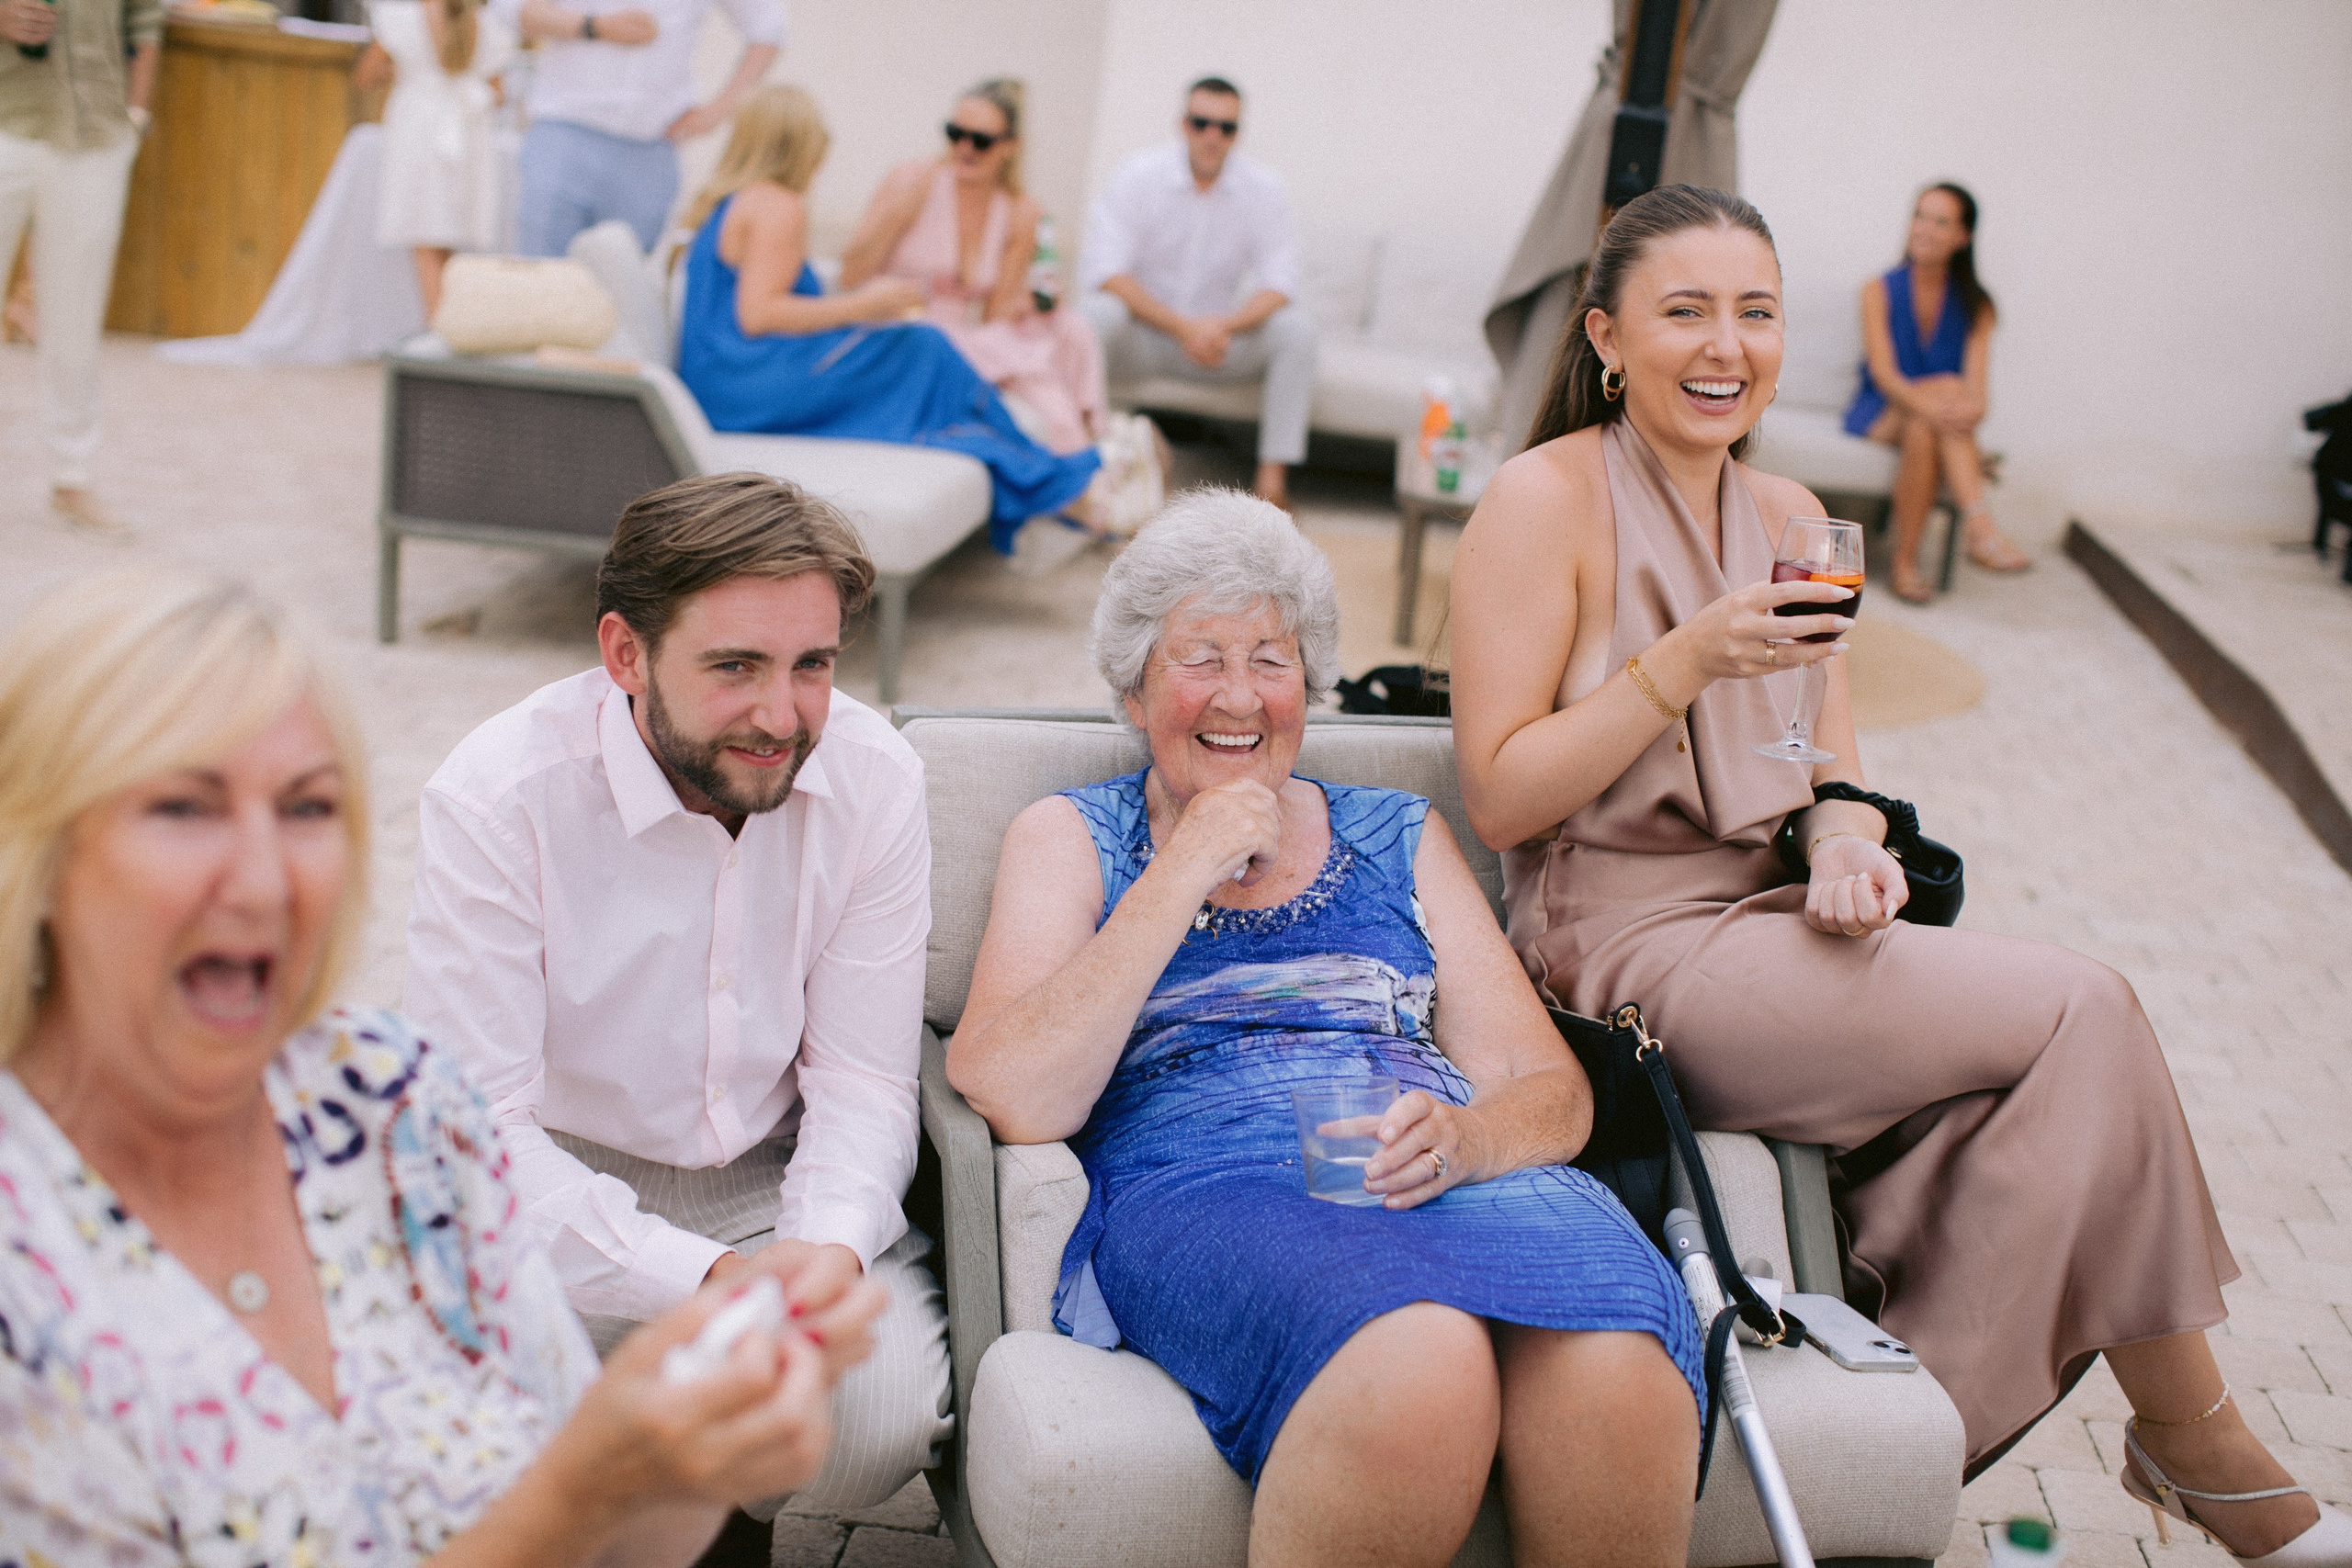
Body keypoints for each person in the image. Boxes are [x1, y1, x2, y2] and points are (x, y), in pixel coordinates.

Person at [1448, 184, 2352, 1565]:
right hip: (1622, 945)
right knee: (2083, 1009)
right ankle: (2179, 1436)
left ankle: (1994, 1419)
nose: (1725, 344)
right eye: (1684, 309)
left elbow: (1828, 764)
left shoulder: (1794, 508)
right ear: (1606, 334)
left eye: (1755, 311)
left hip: (1769, 923)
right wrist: (1680, 658)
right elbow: (1503, 791)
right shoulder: (1542, 498)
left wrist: (1850, 849)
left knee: (2072, 1049)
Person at [0, 568, 886, 1564]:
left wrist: (684, 1464)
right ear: (35, 851)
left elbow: (617, 1541)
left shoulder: (390, 1099)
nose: (262, 879)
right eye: (182, 809)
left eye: (306, 808)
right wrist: (582, 1485)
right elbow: (563, 1503)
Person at [948, 491, 1705, 1568]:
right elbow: (1015, 1090)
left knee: (1614, 1359)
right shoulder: (1072, 837)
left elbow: (1550, 1089)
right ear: (1131, 690)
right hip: (1212, 1183)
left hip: (1450, 1171)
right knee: (1417, 1360)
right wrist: (1184, 867)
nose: (1240, 698)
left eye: (1271, 659)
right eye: (1199, 658)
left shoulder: (1397, 832)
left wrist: (1472, 1139)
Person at [402, 474, 955, 1560]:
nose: (781, 714)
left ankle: (724, 1523)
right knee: (471, 1425)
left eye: (813, 666)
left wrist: (821, 1258)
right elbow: (481, 1137)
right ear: (624, 654)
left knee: (876, 1413)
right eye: (734, 666)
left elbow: (862, 1082)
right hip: (552, 1183)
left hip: (767, 1182)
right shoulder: (497, 795)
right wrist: (708, 1287)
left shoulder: (877, 777)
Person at [676, 86, 1160, 551]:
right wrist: (869, 305)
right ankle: (1067, 485)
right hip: (747, 387)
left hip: (724, 385)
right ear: (797, 144)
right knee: (924, 347)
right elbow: (760, 315)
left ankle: (1062, 481)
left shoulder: (731, 204)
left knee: (928, 352)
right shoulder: (778, 205)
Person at [1078, 77, 1316, 509]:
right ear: (1183, 125)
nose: (1212, 136)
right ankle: (1082, 462)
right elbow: (1106, 270)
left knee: (1296, 333)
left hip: (1218, 345)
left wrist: (1222, 326)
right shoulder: (1137, 175)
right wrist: (1181, 327)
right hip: (1147, 336)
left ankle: (1271, 486)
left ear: (1237, 134)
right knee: (1096, 313)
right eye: (1201, 123)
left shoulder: (1264, 189)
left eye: (1225, 127)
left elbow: (1281, 283)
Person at [839, 77, 1108, 457]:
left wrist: (1024, 302)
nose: (965, 148)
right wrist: (902, 209)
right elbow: (849, 276)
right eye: (955, 134)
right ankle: (1082, 454)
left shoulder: (1020, 210)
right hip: (903, 325)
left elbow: (993, 315)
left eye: (981, 140)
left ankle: (1086, 445)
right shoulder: (910, 180)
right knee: (1026, 366)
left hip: (972, 331)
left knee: (1071, 328)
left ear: (1010, 147)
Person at [0, 0, 160, 534]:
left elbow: (146, 22)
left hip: (95, 135)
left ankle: (73, 477)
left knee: (76, 313)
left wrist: (134, 120)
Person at [1840, 182, 2029, 602]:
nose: (1924, 228)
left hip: (1927, 420)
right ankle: (1979, 527)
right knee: (1946, 389)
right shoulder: (1878, 289)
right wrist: (1943, 399)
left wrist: (1949, 408)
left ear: (1963, 237)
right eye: (1920, 216)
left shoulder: (1978, 305)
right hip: (1879, 408)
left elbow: (1978, 400)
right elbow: (1885, 375)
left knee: (1925, 427)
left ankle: (1905, 565)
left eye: (1940, 222)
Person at [492, 0, 781, 257]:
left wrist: (716, 113)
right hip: (564, 134)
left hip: (651, 150)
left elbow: (769, 28)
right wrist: (594, 26)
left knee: (623, 289)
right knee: (542, 277)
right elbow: (511, 8)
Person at [370, 0, 518, 317]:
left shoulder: (403, 18)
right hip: (466, 138)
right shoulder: (488, 25)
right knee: (445, 239)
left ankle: (438, 329)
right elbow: (498, 94)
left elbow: (367, 75)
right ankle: (451, 326)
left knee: (423, 238)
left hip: (418, 134)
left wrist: (399, 70)